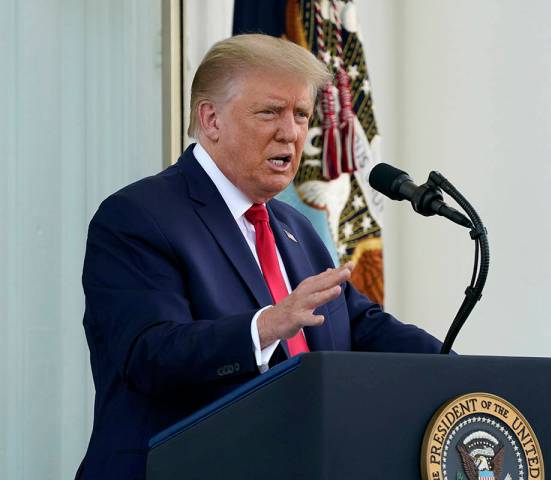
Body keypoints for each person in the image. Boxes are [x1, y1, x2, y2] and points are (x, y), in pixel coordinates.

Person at [76, 34, 442, 479]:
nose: (290, 131)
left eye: (302, 114)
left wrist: (466, 377)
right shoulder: (138, 217)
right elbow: (149, 355)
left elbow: (359, 325)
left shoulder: (294, 227)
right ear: (210, 119)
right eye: (270, 112)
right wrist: (265, 326)